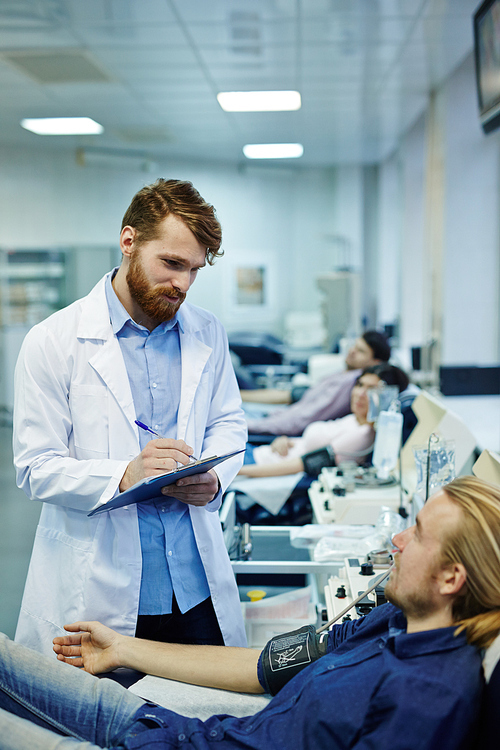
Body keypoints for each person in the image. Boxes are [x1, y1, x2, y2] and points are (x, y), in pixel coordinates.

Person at [1, 475, 499, 749]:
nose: (397, 539)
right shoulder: (389, 621)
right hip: (171, 732)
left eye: (416, 533)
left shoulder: (426, 700)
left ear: (451, 579)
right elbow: (262, 665)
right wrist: (122, 648)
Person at [12, 179, 248, 656]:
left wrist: (216, 478)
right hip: (104, 592)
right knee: (105, 725)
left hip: (195, 587)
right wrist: (125, 474)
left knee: (208, 722)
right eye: (172, 263)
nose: (182, 283)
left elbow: (229, 422)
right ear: (129, 241)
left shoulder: (207, 332)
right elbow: (35, 467)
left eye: (194, 270)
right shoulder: (54, 340)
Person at [239, 364, 409, 478]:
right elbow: (309, 444)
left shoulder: (362, 435)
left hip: (256, 463)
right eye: (359, 385)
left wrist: (239, 472)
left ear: (386, 397)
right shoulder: (353, 420)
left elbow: (300, 465)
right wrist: (286, 440)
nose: (360, 393)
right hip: (259, 453)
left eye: (371, 389)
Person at [244, 329, 391, 436]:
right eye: (355, 346)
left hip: (278, 428)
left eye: (361, 351)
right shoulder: (345, 373)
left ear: (375, 362)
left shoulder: (351, 382)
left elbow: (302, 420)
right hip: (277, 416)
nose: (352, 351)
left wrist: (248, 425)